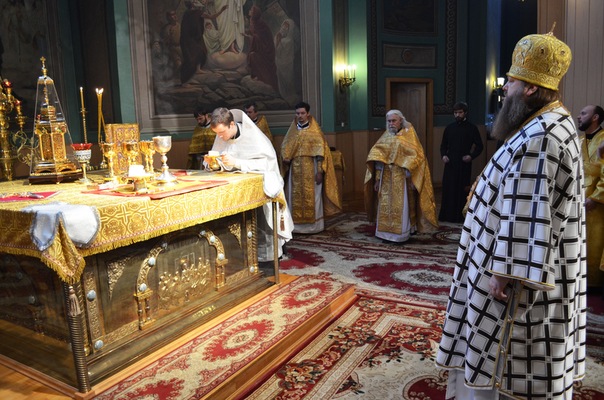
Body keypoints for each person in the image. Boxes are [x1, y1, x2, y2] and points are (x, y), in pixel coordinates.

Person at [436, 31, 586, 399]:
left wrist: (503, 274)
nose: (505, 88)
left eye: (512, 81)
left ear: (531, 88)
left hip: (511, 278)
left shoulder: (540, 137)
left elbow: (527, 214)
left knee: (506, 359)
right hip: (520, 261)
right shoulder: (551, 121)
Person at [204, 107, 293, 264]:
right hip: (234, 190)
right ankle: (240, 260)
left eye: (222, 132)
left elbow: (266, 164)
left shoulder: (254, 137)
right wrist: (213, 163)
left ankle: (267, 260)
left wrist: (237, 162)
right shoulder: (221, 136)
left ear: (232, 124)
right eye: (217, 133)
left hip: (260, 190)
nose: (220, 137)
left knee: (261, 225)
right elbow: (219, 161)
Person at [364, 110, 438, 243]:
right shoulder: (385, 137)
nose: (391, 123)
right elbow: (379, 159)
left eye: (394, 121)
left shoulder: (409, 136)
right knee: (385, 206)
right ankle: (384, 234)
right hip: (386, 177)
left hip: (402, 178)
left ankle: (400, 235)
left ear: (400, 121)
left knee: (402, 208)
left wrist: (412, 178)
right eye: (389, 121)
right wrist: (377, 179)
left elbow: (416, 158)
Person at [281, 101, 341, 233]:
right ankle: (295, 227)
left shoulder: (315, 132)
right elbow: (285, 148)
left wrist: (319, 171)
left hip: (312, 168)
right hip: (295, 171)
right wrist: (286, 158)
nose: (300, 116)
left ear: (308, 113)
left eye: (302, 113)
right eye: (297, 113)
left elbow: (320, 153)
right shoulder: (292, 132)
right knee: (294, 198)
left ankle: (314, 227)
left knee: (314, 197)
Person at [438, 102, 483, 223]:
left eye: (460, 112)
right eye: (455, 113)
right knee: (449, 189)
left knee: (462, 189)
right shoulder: (449, 128)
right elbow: (443, 146)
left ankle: (460, 217)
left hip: (464, 163)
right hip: (450, 163)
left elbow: (480, 146)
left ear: (465, 113)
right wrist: (444, 156)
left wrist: (471, 156)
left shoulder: (472, 128)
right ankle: (447, 216)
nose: (457, 115)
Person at [577, 104, 604, 288]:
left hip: (597, 202)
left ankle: (595, 283)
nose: (579, 116)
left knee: (596, 242)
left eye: (583, 113)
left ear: (595, 118)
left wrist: (595, 197)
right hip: (578, 198)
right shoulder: (579, 141)